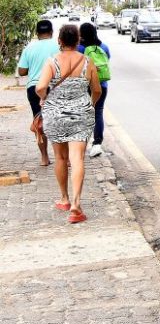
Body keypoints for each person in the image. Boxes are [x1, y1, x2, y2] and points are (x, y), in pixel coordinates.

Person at [35, 24, 101, 224]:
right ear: (78, 40)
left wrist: (44, 99)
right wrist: (90, 104)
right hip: (81, 114)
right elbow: (97, 90)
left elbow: (40, 87)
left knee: (61, 158)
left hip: (55, 115)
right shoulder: (87, 61)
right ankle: (76, 204)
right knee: (77, 158)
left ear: (59, 41)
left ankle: (64, 199)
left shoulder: (52, 62)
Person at [16, 19, 58, 167]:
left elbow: (21, 71)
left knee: (39, 122)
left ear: (36, 33)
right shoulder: (58, 46)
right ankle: (65, 159)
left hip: (34, 88)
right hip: (55, 86)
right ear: (52, 32)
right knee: (60, 120)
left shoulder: (29, 48)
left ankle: (44, 157)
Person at [77, 22, 111, 158]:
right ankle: (97, 144)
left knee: (82, 113)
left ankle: (81, 143)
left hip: (84, 86)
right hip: (102, 85)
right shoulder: (104, 47)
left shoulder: (79, 48)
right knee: (98, 113)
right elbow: (107, 59)